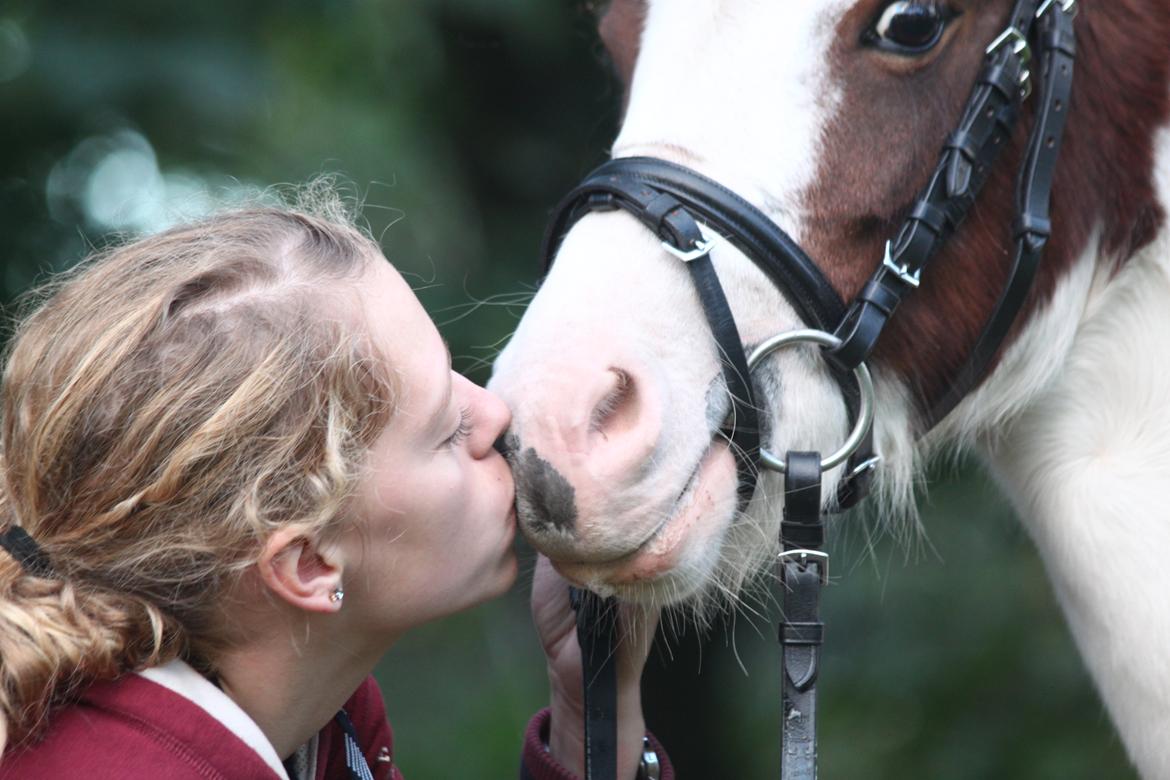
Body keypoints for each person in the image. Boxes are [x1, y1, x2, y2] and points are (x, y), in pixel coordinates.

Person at [0, 195, 673, 779]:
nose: (494, 413)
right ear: (309, 565)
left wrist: (592, 715)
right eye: (443, 430)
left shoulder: (316, 725)